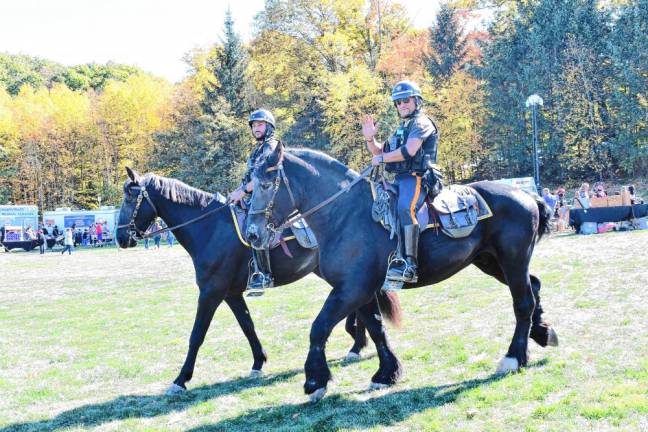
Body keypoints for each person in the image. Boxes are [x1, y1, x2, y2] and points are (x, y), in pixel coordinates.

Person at [361, 80, 439, 283]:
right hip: (399, 179)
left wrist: (382, 158)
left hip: (418, 177)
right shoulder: (401, 128)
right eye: (398, 102)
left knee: (405, 208)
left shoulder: (422, 123)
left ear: (416, 101)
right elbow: (379, 151)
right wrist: (370, 139)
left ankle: (410, 265)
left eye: (406, 100)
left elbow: (409, 151)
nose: (402, 105)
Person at [228, 109, 278, 293]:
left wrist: (242, 191)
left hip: (269, 196)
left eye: (260, 124)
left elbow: (263, 178)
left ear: (269, 126)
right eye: (254, 125)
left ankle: (264, 275)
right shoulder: (257, 149)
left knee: (255, 228)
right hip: (255, 197)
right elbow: (250, 178)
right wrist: (237, 192)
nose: (256, 128)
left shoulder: (270, 147)